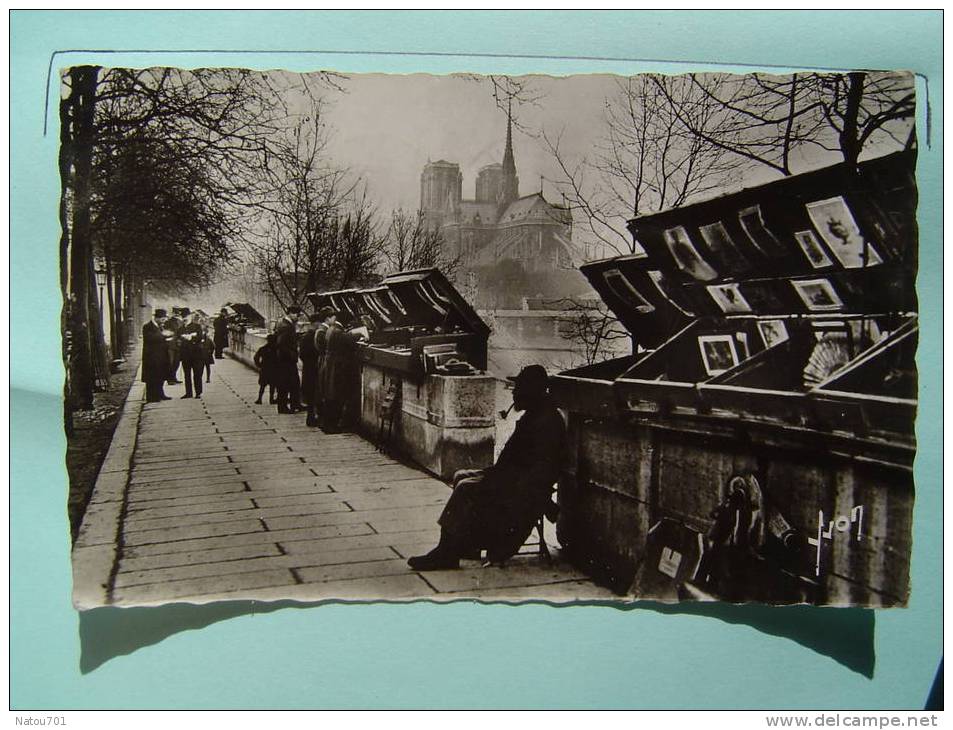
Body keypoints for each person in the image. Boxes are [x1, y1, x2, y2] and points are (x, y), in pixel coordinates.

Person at [407, 365, 565, 571]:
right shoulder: (536, 414)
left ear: (531, 391)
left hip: (519, 485)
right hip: (510, 476)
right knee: (460, 475)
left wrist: (502, 482)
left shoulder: (546, 421)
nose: (515, 392)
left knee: (465, 487)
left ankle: (446, 553)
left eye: (519, 388)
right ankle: (464, 544)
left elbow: (541, 471)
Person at [320, 313, 364, 432]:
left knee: (330, 397)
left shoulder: (331, 329)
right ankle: (331, 426)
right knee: (336, 398)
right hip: (338, 369)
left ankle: (327, 425)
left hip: (331, 367)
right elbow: (350, 342)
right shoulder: (338, 332)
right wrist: (361, 334)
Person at [308, 307, 336, 427]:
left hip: (322, 361)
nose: (335, 320)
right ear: (328, 318)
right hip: (324, 362)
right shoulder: (322, 331)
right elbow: (324, 348)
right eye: (333, 317)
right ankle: (320, 418)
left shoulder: (321, 330)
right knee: (323, 389)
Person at [274, 305, 303, 414]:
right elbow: (281, 343)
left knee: (293, 382)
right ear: (290, 313)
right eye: (296, 314)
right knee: (286, 383)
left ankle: (295, 404)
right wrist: (292, 355)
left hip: (284, 359)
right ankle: (283, 407)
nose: (297, 317)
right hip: (286, 360)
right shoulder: (287, 326)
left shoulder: (283, 324)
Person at [142, 308, 172, 403]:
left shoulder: (160, 326)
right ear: (157, 318)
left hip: (161, 355)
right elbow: (149, 338)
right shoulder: (147, 326)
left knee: (160, 375)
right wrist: (164, 336)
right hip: (152, 356)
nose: (164, 321)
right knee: (152, 377)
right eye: (163, 319)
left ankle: (160, 394)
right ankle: (151, 397)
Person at [179, 311, 207, 399]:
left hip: (196, 354)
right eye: (183, 316)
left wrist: (191, 337)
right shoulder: (180, 329)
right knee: (187, 375)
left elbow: (201, 337)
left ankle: (198, 392)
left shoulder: (197, 326)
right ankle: (188, 393)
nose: (185, 318)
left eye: (186, 316)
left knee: (197, 374)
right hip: (185, 355)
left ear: (190, 316)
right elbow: (178, 340)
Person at [298, 312, 320, 413]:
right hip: (312, 367)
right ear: (316, 323)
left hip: (308, 367)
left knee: (310, 391)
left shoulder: (306, 335)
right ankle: (311, 417)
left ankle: (311, 416)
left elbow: (302, 354)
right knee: (313, 392)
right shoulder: (312, 335)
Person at [253, 333, 279, 405]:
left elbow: (256, 357)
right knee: (272, 386)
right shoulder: (276, 349)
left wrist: (259, 365)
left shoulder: (263, 349)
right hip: (273, 369)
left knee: (262, 385)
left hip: (264, 369)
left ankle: (259, 398)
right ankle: (271, 399)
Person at [164, 309, 184, 385]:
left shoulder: (180, 322)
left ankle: (173, 377)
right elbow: (166, 332)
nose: (176, 315)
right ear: (172, 313)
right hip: (170, 345)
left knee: (177, 362)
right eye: (175, 313)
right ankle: (170, 379)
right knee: (171, 362)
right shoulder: (168, 322)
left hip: (178, 345)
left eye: (177, 313)